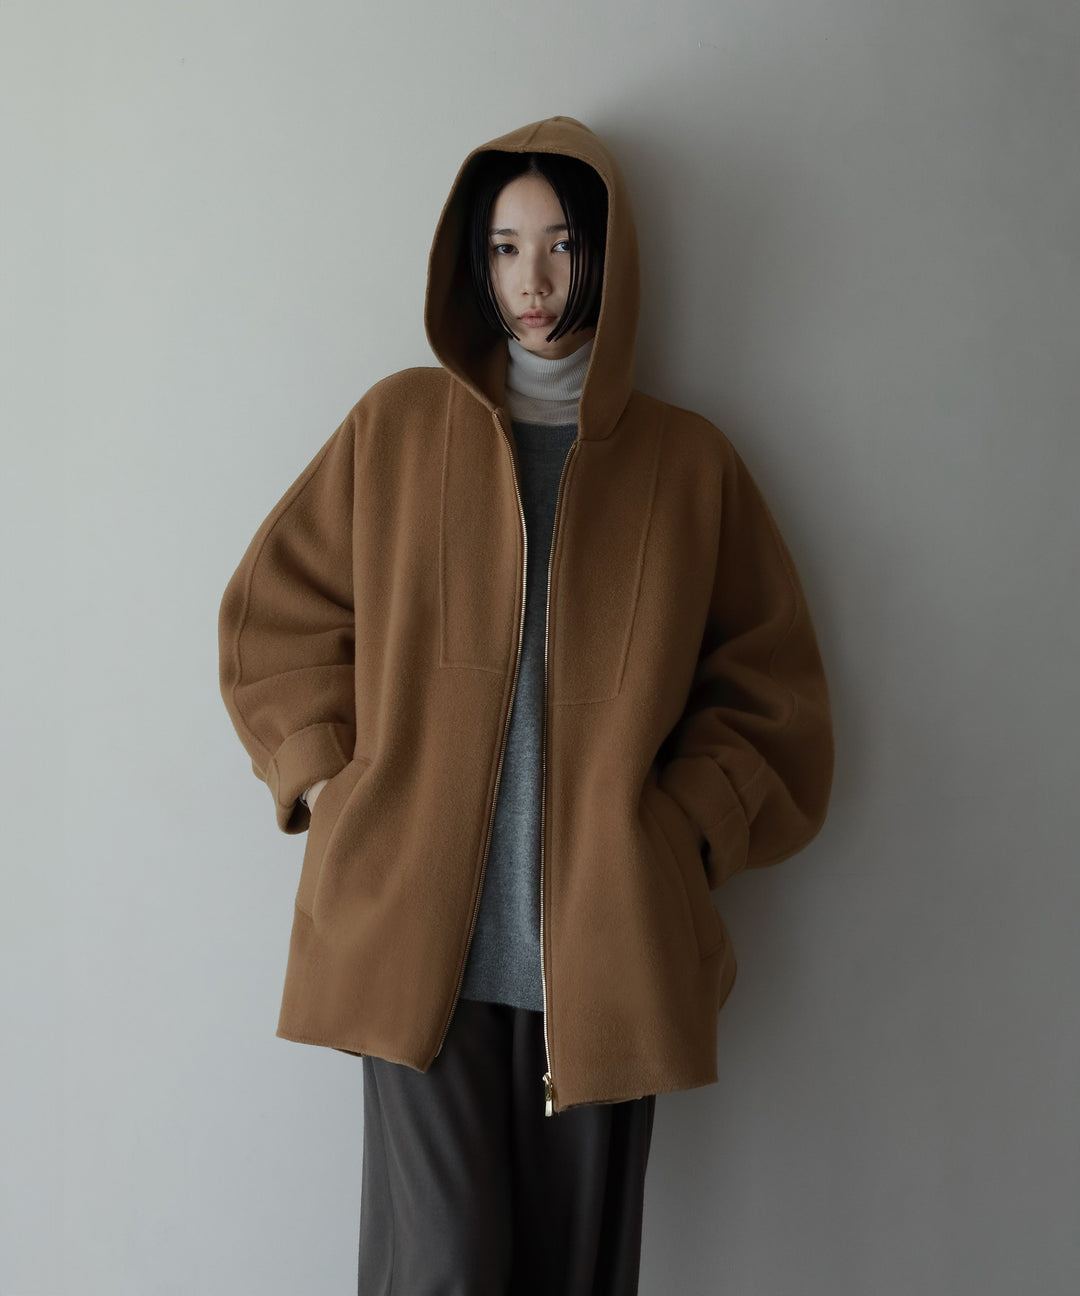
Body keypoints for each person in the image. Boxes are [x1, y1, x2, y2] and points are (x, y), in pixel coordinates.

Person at [217, 115, 834, 1295]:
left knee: (573, 1274)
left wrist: (680, 836)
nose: (532, 282)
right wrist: (334, 779)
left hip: (605, 959)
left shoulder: (688, 465)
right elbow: (272, 617)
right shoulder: (398, 428)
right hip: (415, 955)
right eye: (505, 249)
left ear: (606, 256)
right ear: (476, 262)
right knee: (444, 1269)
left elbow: (775, 692)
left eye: (559, 246)